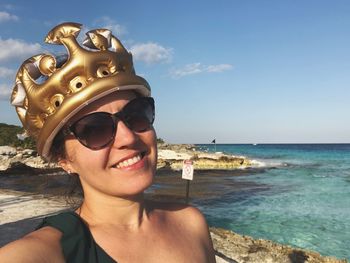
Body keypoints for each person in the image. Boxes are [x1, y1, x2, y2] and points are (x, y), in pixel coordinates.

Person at [0, 22, 216, 262]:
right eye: (95, 129)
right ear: (64, 160)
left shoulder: (191, 222)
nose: (128, 137)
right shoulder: (46, 251)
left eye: (136, 114)